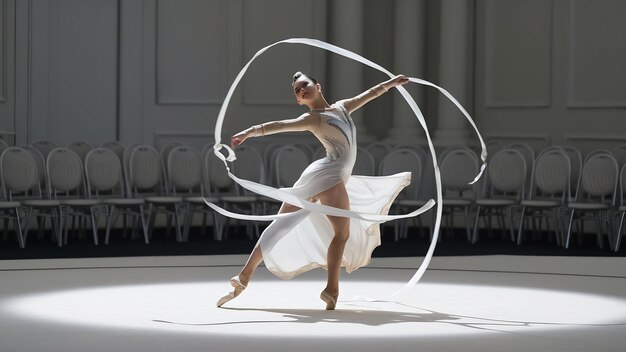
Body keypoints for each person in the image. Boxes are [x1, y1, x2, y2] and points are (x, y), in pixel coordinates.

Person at [216, 71, 410, 310]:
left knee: (284, 224)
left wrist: (392, 83)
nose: (301, 90)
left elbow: (370, 94)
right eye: (297, 90)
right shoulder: (313, 118)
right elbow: (282, 125)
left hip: (322, 173)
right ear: (299, 100)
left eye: (304, 85)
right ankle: (331, 289)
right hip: (329, 176)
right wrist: (250, 131)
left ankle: (245, 276)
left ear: (317, 86)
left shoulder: (342, 107)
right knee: (335, 233)